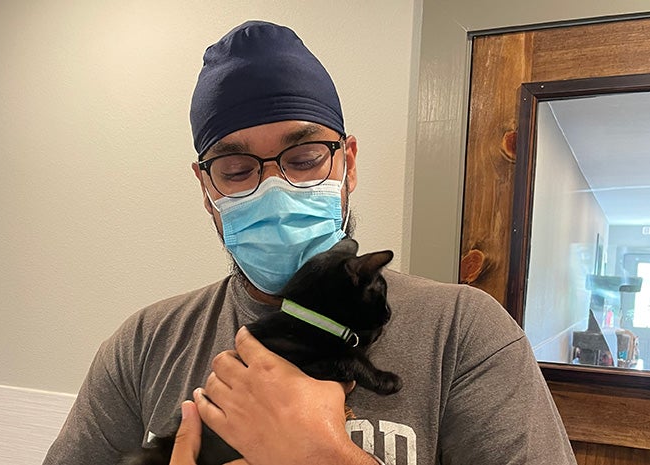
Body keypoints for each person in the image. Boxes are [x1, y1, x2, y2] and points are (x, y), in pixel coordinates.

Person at [43, 20, 577, 465]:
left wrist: (325, 456)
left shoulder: (463, 333)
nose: (274, 189)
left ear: (348, 164)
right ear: (207, 189)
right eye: (236, 169)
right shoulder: (146, 344)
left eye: (303, 161)